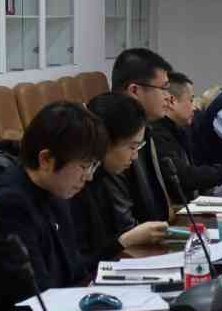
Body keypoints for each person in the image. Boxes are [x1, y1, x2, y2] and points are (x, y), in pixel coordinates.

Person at [0, 102, 107, 311]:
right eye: (83, 166)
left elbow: (74, 269)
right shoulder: (6, 208)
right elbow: (34, 297)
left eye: (93, 166)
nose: (88, 177)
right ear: (46, 159)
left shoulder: (55, 193)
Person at [73, 94, 171, 267]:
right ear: (105, 141)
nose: (135, 156)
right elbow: (78, 262)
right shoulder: (74, 185)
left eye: (138, 147)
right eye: (132, 147)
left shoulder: (103, 176)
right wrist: (125, 240)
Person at [154, 72, 222, 201]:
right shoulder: (158, 134)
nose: (194, 107)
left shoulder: (181, 129)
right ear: (172, 101)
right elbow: (186, 177)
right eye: (191, 100)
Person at [112, 47, 173, 223]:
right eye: (164, 88)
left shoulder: (147, 128)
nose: (169, 97)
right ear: (134, 91)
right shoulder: (112, 137)